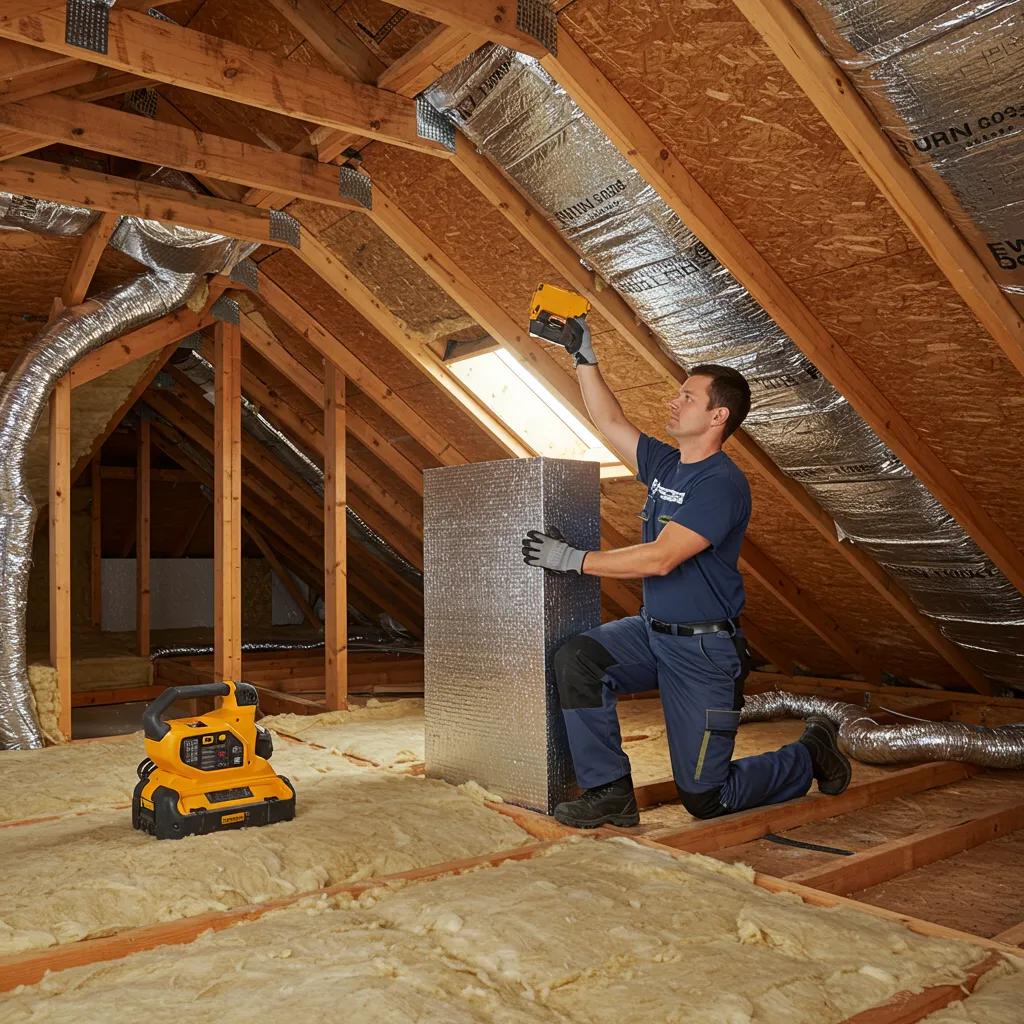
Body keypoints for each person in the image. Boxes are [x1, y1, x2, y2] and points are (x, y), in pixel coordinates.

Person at [521, 318, 851, 828]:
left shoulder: (722, 483)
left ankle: (810, 753)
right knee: (578, 659)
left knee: (706, 797)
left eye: (687, 398)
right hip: (651, 633)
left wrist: (573, 559)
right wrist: (584, 357)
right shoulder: (668, 465)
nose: (674, 403)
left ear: (718, 415)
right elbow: (611, 424)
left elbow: (661, 557)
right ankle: (609, 791)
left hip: (703, 652)